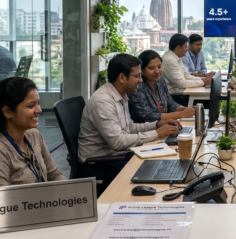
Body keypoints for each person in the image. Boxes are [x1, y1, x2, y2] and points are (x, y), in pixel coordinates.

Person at [78, 54, 182, 194]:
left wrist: (158, 125)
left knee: (163, 163)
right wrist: (157, 133)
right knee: (158, 173)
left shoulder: (121, 95)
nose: (140, 80)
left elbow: (130, 127)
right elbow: (118, 142)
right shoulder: (103, 101)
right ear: (122, 77)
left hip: (117, 155)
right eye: (137, 76)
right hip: (102, 164)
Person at [0, 77, 65, 188]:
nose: (39, 110)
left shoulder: (34, 135)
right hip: (24, 205)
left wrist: (72, 196)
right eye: (31, 106)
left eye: (38, 103)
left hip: (43, 202)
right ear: (7, 112)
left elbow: (53, 174)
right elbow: (0, 203)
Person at [129, 50, 196, 123]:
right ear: (142, 70)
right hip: (147, 131)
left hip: (164, 125)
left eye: (159, 66)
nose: (157, 71)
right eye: (151, 68)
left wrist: (185, 109)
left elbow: (170, 103)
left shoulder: (160, 80)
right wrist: (181, 114)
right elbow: (147, 116)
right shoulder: (137, 86)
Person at [162, 34, 210, 105]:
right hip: (173, 97)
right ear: (178, 48)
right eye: (186, 47)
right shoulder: (170, 61)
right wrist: (203, 82)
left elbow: (186, 76)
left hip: (181, 92)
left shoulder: (177, 57)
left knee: (208, 97)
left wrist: (203, 79)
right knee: (208, 100)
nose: (187, 49)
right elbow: (182, 83)